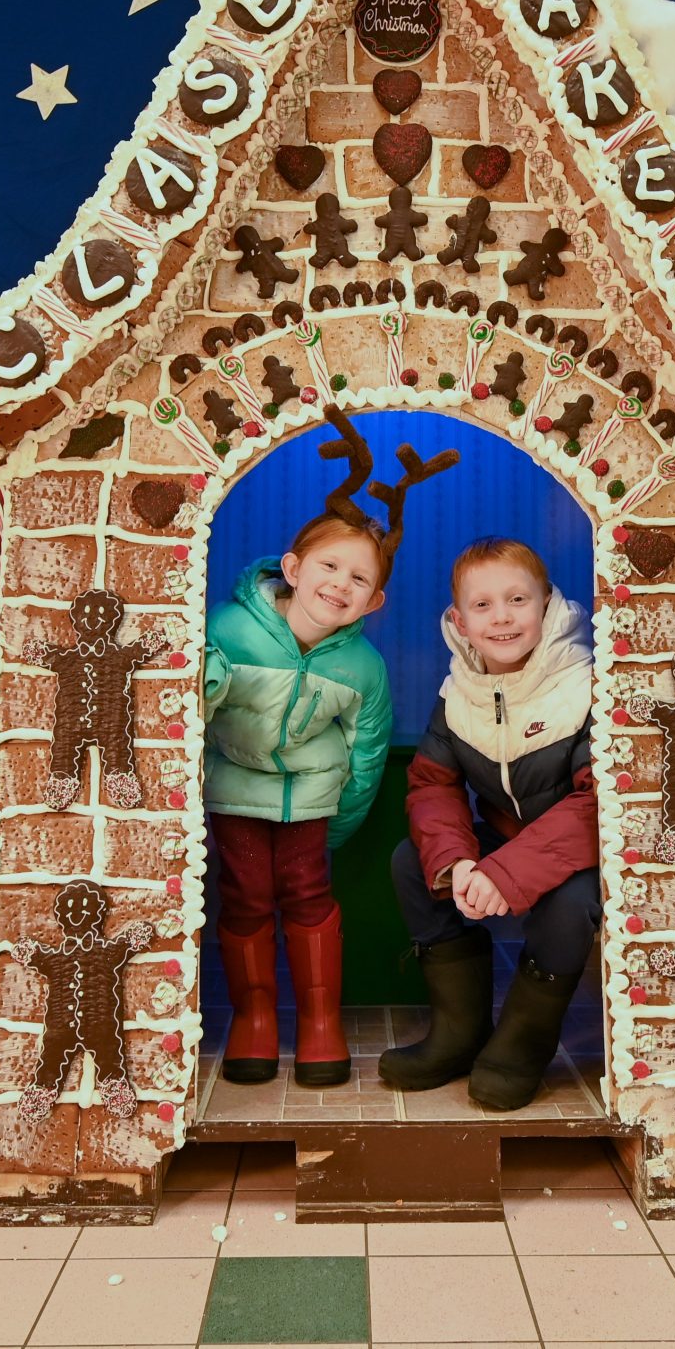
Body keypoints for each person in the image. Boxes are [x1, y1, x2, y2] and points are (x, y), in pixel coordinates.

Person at [201, 410, 455, 1087]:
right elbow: (186, 709)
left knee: (310, 896)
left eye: (359, 580)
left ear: (374, 602)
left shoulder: (362, 667)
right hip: (235, 792)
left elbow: (368, 752)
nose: (340, 584)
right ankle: (255, 1019)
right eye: (330, 567)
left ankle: (320, 1022)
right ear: (293, 568)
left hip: (312, 803)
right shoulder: (229, 628)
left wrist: (340, 819)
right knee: (245, 897)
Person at [381, 537, 600, 1109]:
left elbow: (597, 804)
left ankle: (522, 1046)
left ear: (547, 603)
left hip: (582, 852)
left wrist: (508, 873)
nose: (501, 617)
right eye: (482, 605)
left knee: (571, 903)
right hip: (506, 839)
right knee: (413, 863)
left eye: (517, 600)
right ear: (460, 620)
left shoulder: (587, 685)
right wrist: (458, 862)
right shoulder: (460, 692)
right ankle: (460, 1033)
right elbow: (433, 785)